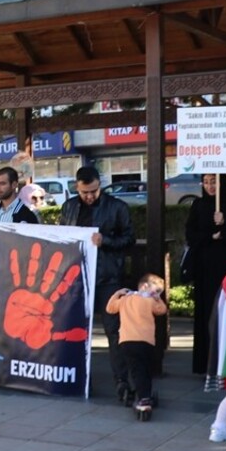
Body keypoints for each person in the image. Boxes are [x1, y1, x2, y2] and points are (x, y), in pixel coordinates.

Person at [60, 165, 135, 401]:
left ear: (99, 185)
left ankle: (122, 382)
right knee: (75, 331)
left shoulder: (117, 207)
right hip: (77, 277)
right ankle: (79, 379)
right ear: (77, 187)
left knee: (114, 331)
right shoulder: (69, 207)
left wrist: (106, 241)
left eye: (93, 191)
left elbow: (129, 239)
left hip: (108, 278)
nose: (90, 196)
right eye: (85, 192)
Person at [184, 174, 226, 377]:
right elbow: (191, 234)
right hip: (205, 271)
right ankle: (206, 362)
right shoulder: (198, 205)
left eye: (214, 182)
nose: (210, 186)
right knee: (207, 313)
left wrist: (224, 225)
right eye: (206, 182)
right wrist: (210, 236)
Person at [105, 273, 168, 419]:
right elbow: (162, 310)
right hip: (146, 342)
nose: (156, 294)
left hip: (127, 342)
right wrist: (158, 299)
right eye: (156, 291)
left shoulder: (125, 299)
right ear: (145, 287)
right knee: (146, 370)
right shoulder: (151, 301)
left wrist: (117, 294)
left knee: (135, 370)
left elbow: (110, 308)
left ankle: (142, 395)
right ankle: (145, 397)